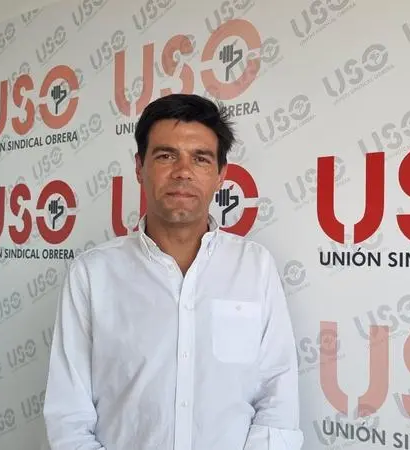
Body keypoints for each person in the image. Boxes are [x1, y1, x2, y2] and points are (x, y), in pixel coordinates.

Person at [42, 93, 304, 450]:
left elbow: (278, 394)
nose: (183, 171)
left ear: (221, 175)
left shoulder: (255, 267)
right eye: (166, 156)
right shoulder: (92, 274)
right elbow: (68, 414)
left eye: (200, 158)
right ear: (139, 167)